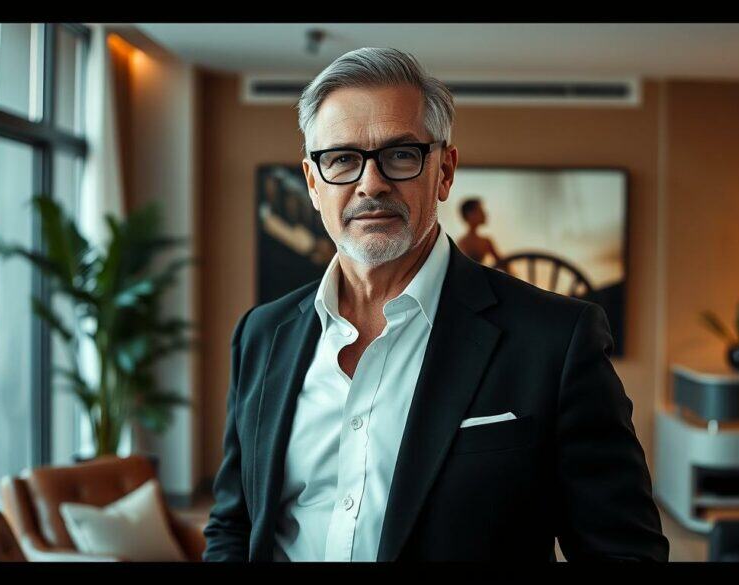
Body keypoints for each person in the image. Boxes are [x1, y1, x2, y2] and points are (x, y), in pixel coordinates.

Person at [203, 47, 668, 562]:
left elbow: (625, 553)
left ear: (444, 171)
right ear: (313, 183)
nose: (371, 183)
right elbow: (233, 525)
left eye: (401, 155)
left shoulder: (556, 341)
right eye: (341, 159)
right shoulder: (261, 335)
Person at [456, 197, 503, 266]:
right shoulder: (463, 243)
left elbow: (503, 264)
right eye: (480, 211)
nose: (484, 214)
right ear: (470, 214)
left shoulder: (486, 242)